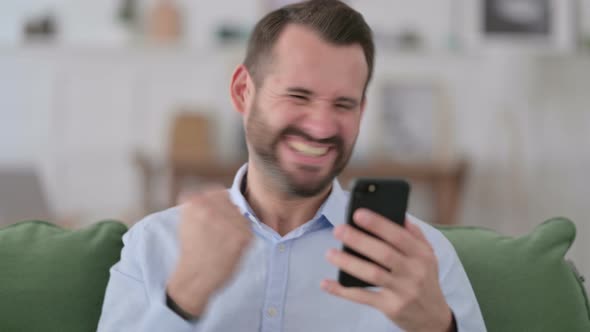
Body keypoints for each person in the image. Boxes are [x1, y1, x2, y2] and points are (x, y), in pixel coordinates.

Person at [97, 1, 486, 331]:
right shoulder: (152, 247)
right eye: (299, 95)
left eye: (343, 104)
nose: (321, 126)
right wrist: (183, 298)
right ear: (242, 92)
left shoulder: (423, 260)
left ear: (361, 111)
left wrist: (441, 327)